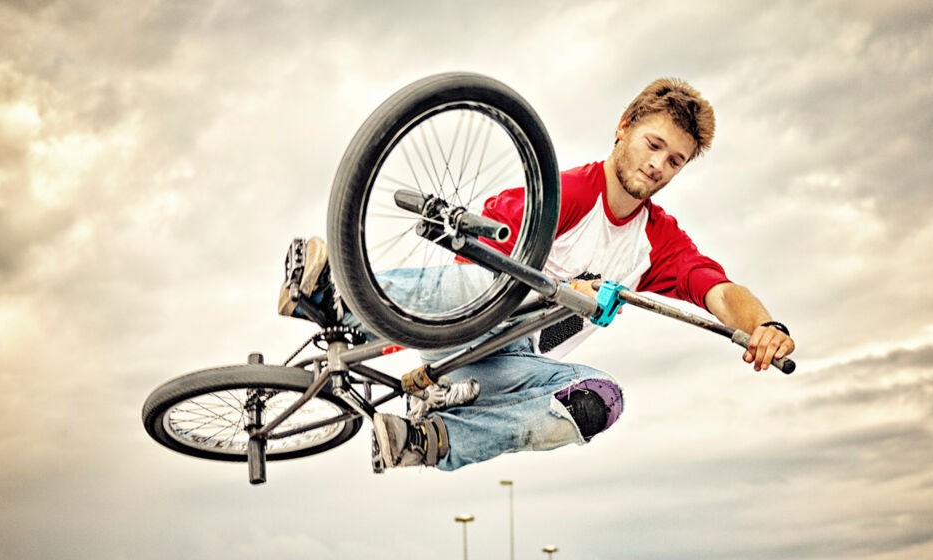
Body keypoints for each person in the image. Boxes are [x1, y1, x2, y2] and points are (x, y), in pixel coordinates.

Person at [277, 78, 796, 473]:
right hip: (472, 324)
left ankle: (428, 441)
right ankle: (334, 296)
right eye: (653, 144)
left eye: (676, 160)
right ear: (624, 128)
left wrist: (766, 327)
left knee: (601, 399)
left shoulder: (657, 243)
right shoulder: (572, 195)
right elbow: (489, 239)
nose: (659, 165)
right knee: (488, 285)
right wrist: (559, 290)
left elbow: (720, 291)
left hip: (508, 371)